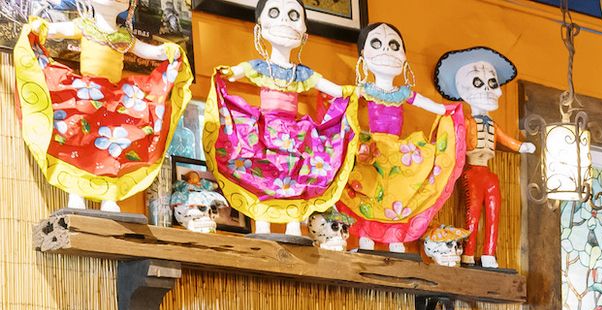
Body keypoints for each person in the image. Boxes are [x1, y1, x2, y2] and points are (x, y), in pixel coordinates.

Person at [13, 0, 191, 215]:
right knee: (75, 139)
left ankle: (109, 196)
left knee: (116, 147)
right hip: (86, 94)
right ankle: (75, 194)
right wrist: (40, 28)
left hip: (114, 100)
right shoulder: (85, 26)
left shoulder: (124, 37)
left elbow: (150, 53)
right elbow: (55, 29)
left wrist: (167, 51)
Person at [204, 0, 357, 236]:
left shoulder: (303, 73)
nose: (284, 20)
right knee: (262, 171)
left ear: (305, 31)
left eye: (293, 15)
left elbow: (335, 90)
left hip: (294, 134)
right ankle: (263, 221)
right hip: (266, 131)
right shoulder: (259, 66)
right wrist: (227, 73)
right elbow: (235, 72)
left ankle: (293, 222)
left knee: (297, 174)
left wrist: (350, 92)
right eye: (274, 13)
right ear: (260, 25)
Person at [339, 22, 465, 253]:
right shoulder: (366, 89)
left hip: (398, 150)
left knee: (399, 192)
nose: (386, 50)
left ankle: (394, 237)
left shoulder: (403, 93)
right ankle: (367, 233)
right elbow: (344, 97)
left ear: (405, 56)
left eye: (393, 45)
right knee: (368, 191)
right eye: (377, 44)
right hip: (373, 148)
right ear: (363, 57)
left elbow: (431, 106)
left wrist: (447, 111)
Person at [434, 46, 534, 269]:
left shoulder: (493, 125)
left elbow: (507, 140)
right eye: (480, 83)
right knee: (473, 213)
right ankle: (468, 252)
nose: (494, 92)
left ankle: (489, 252)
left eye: (493, 84)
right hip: (472, 171)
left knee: (494, 212)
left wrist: (522, 146)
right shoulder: (465, 122)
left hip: (488, 172)